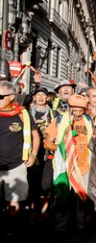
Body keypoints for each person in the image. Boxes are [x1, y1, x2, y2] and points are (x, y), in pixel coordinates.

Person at [44, 94, 94, 237]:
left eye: (81, 110)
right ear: (69, 108)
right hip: (63, 168)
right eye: (75, 110)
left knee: (81, 199)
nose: (77, 114)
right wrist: (65, 148)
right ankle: (60, 229)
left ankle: (81, 228)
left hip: (84, 167)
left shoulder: (89, 120)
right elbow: (47, 143)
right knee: (62, 198)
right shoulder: (59, 121)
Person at [0, 80, 40, 239]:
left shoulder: (23, 114)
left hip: (16, 165)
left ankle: (11, 230)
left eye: (1, 96)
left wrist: (33, 154)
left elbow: (35, 136)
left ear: (11, 96)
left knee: (14, 203)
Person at [28, 87, 55, 223]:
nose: (40, 97)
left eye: (43, 95)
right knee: (33, 182)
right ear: (34, 97)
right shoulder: (28, 114)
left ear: (47, 98)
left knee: (46, 183)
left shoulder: (53, 114)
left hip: (48, 152)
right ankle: (33, 211)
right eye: (37, 95)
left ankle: (44, 211)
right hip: (32, 152)